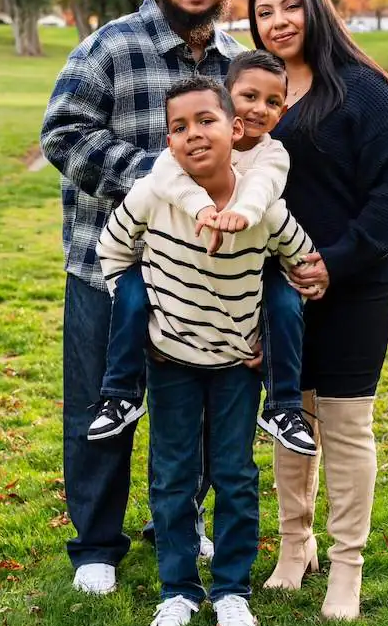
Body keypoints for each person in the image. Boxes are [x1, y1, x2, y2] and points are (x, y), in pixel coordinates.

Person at [40, 0, 244, 595]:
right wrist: (159, 176)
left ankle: (176, 525)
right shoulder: (110, 47)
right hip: (109, 271)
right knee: (100, 405)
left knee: (197, 414)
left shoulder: (236, 62)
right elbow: (62, 134)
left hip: (205, 279)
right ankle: (96, 542)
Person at [96, 76, 317, 626]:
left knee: (236, 478)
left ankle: (231, 593)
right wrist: (137, 309)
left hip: (234, 371)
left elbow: (300, 263)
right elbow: (112, 251)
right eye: (178, 127)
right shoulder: (153, 195)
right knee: (171, 480)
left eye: (206, 121)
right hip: (170, 364)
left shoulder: (263, 208)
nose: (193, 134)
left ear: (235, 129)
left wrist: (279, 319)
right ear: (168, 141)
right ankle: (177, 592)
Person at [247, 0, 388, 620]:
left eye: (291, 6)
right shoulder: (263, 93)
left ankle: (346, 565)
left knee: (344, 423)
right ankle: (296, 547)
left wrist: (332, 262)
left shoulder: (365, 93)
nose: (279, 20)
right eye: (265, 12)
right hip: (282, 286)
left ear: (315, 9)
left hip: (358, 279)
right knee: (293, 416)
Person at [87, 49, 318, 456]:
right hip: (182, 265)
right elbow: (165, 176)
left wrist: (239, 215)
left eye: (273, 102)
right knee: (132, 291)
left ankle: (283, 406)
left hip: (254, 261)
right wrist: (204, 210)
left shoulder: (271, 153)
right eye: (248, 96)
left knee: (283, 301)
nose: (260, 109)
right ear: (228, 100)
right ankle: (120, 393)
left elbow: (263, 187)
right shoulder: (183, 150)